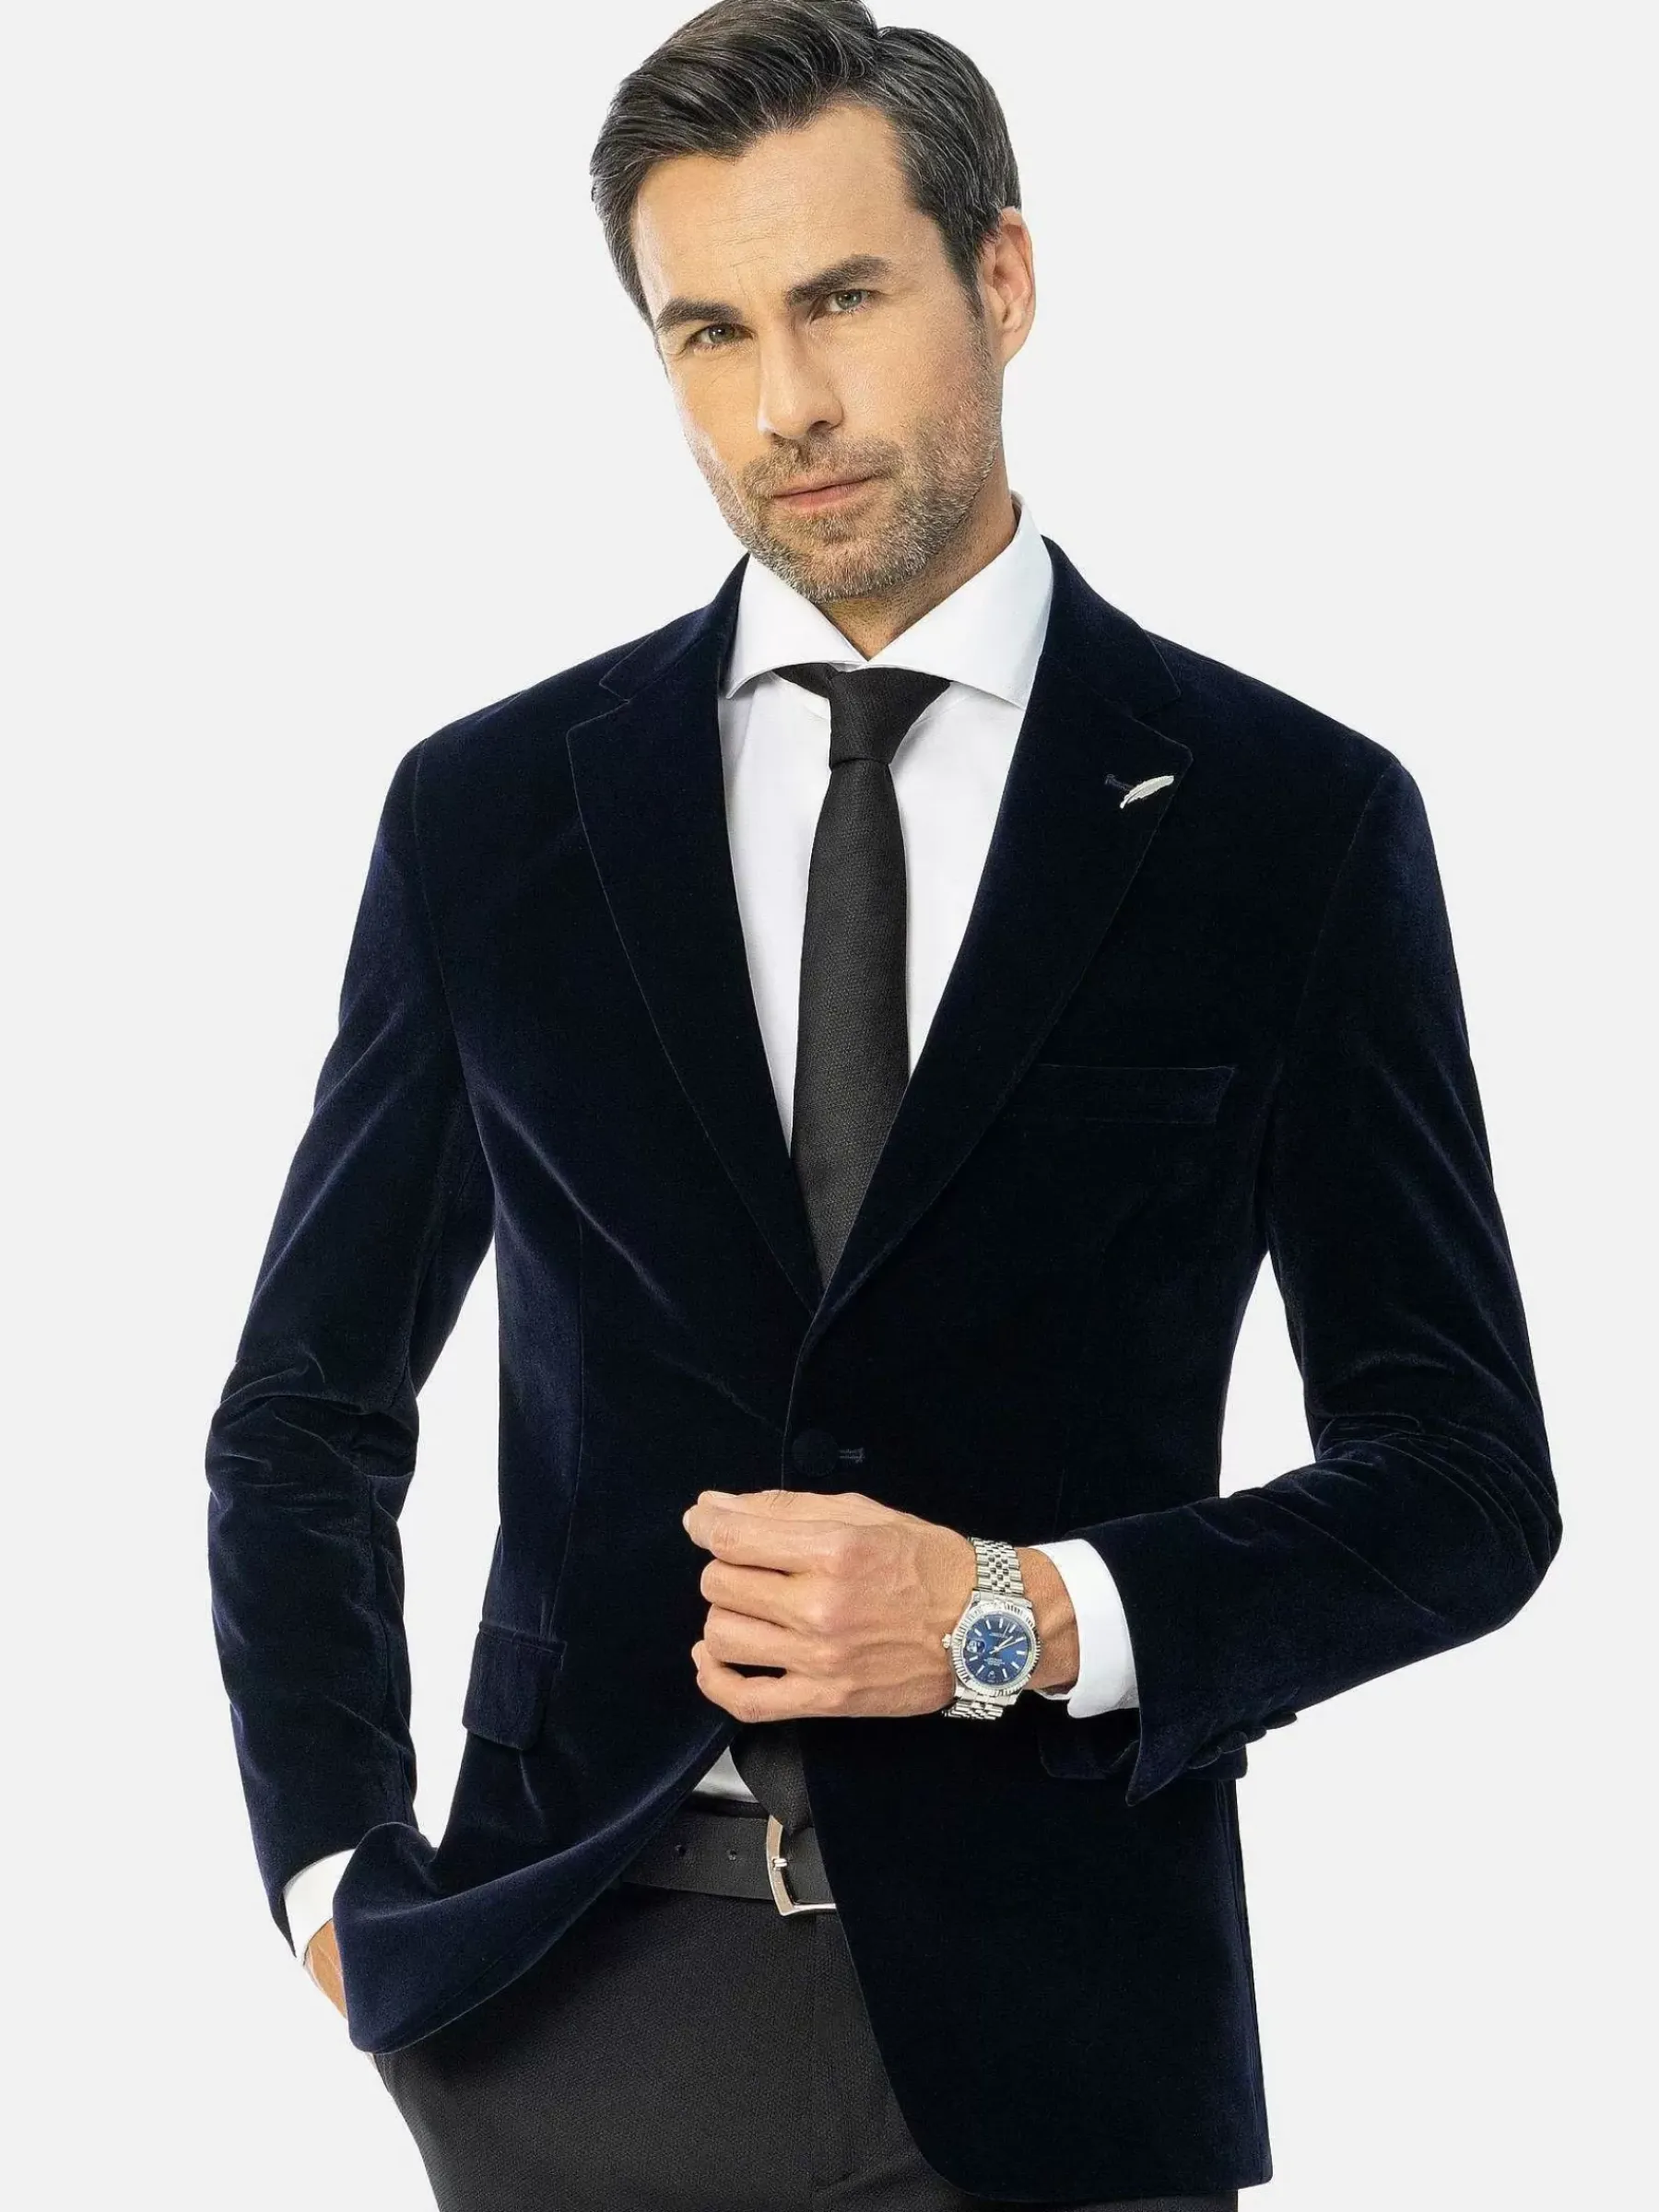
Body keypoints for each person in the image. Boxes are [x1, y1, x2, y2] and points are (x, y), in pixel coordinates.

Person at [205, 4, 1561, 2206]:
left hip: (1067, 2042)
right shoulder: (492, 816)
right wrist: (341, 1881)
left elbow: (1467, 1486)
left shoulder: (1287, 825)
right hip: (568, 2010)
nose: (787, 406)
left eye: (841, 299)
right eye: (711, 332)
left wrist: (1017, 1617)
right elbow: (305, 1409)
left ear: (999, 278)